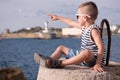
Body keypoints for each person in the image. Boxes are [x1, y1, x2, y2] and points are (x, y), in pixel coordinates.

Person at [34, 1, 105, 72]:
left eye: (78, 16)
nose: (77, 18)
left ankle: (61, 63)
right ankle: (49, 61)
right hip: (83, 58)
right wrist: (58, 17)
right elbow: (71, 22)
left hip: (93, 60)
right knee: (61, 48)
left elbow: (101, 47)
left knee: (86, 52)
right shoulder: (84, 27)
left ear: (85, 18)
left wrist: (97, 64)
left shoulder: (93, 30)